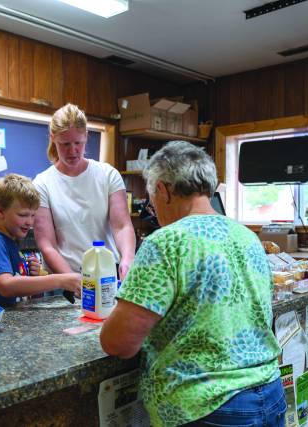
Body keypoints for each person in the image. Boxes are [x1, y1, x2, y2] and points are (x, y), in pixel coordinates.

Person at [100, 141, 285, 426]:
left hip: (205, 407)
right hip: (269, 394)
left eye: (152, 199)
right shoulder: (246, 236)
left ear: (163, 190)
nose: (154, 208)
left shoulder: (166, 242)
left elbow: (119, 342)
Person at [33, 103, 135, 279]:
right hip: (66, 277)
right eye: (65, 144)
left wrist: (127, 259)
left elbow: (122, 226)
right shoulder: (42, 183)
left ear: (86, 136)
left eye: (78, 143)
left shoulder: (108, 174)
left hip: (107, 274)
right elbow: (47, 244)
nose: (72, 151)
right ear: (53, 138)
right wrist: (73, 280)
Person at [0, 174, 81, 307]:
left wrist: (33, 274)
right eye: (23, 215)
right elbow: (5, 285)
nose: (30, 222)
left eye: (33, 215)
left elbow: (17, 285)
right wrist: (60, 280)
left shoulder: (11, 241)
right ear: (0, 211)